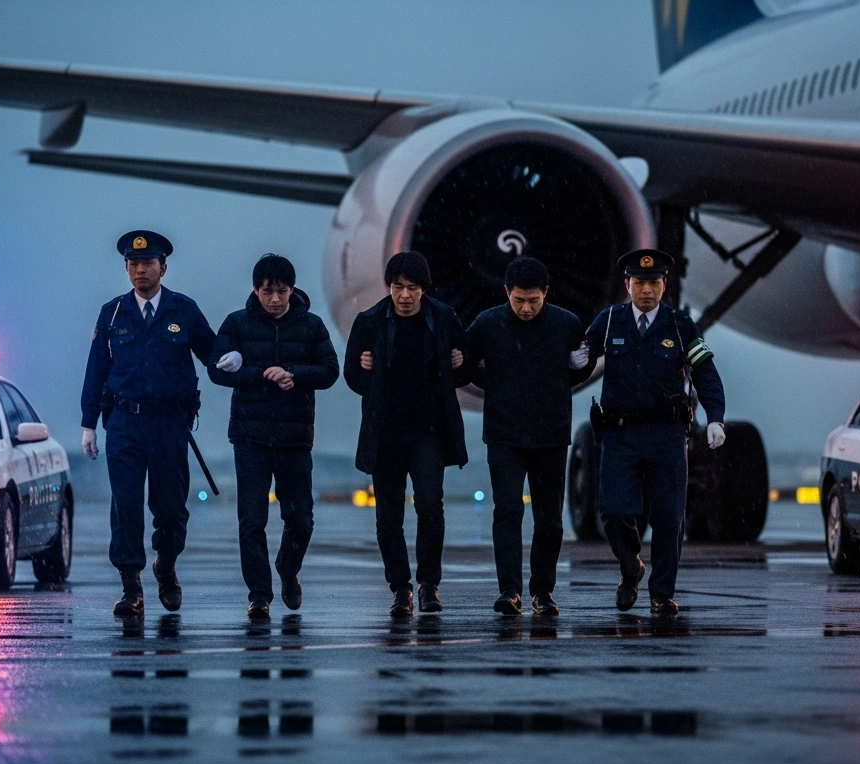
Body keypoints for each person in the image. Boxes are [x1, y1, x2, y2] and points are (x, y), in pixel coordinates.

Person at [80, 230, 219, 617]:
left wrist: (234, 361)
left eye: (148, 263)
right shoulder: (112, 313)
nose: (140, 270)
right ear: (126, 268)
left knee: (171, 509)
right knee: (125, 505)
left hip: (170, 424)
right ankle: (131, 585)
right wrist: (89, 423)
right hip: (125, 422)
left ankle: (167, 567)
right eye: (133, 264)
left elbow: (212, 352)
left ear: (163, 267)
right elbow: (96, 369)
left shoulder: (183, 310)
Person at [583, 248, 726, 616]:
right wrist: (569, 365)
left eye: (654, 283)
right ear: (628, 285)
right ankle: (631, 565)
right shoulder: (610, 321)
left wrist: (716, 417)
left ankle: (661, 593)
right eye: (639, 283)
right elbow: (580, 360)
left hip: (666, 435)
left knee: (668, 516)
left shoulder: (680, 327)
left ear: (664, 285)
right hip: (620, 434)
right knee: (614, 511)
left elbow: (705, 374)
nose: (647, 290)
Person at [209, 254, 339, 620]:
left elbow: (330, 371)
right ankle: (259, 594)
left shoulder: (311, 326)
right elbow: (216, 369)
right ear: (256, 290)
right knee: (252, 519)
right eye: (268, 292)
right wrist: (261, 373)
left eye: (282, 291)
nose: (275, 299)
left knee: (301, 519)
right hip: (250, 437)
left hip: (295, 437)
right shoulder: (237, 323)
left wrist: (294, 373)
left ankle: (287, 567)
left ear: (292, 290)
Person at [343, 251, 470, 617]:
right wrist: (366, 369)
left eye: (412, 288)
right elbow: (352, 375)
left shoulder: (443, 318)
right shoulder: (369, 322)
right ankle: (400, 588)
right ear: (389, 287)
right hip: (385, 433)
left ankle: (429, 583)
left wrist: (460, 364)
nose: (404, 295)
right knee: (388, 516)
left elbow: (462, 370)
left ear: (423, 289)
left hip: (428, 432)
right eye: (398, 287)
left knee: (430, 504)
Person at [463, 256, 591, 616]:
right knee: (507, 510)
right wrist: (495, 387)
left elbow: (578, 369)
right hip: (504, 434)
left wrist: (571, 375)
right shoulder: (487, 324)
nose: (526, 307)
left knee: (549, 518)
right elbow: (464, 365)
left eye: (533, 300)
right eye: (518, 300)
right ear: (507, 292)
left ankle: (543, 592)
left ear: (545, 293)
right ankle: (510, 591)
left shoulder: (566, 324)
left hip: (550, 434)